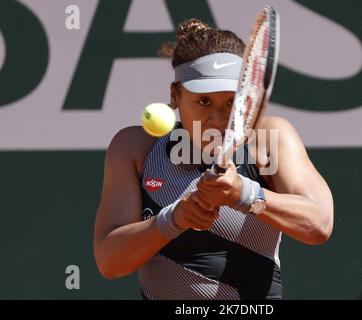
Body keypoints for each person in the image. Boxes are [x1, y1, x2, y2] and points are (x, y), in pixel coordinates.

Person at [93, 19, 334, 300]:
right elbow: (110, 262)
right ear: (175, 95)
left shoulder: (271, 137)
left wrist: (245, 193)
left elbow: (319, 224)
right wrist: (173, 219)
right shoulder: (134, 147)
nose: (218, 119)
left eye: (231, 102)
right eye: (204, 101)